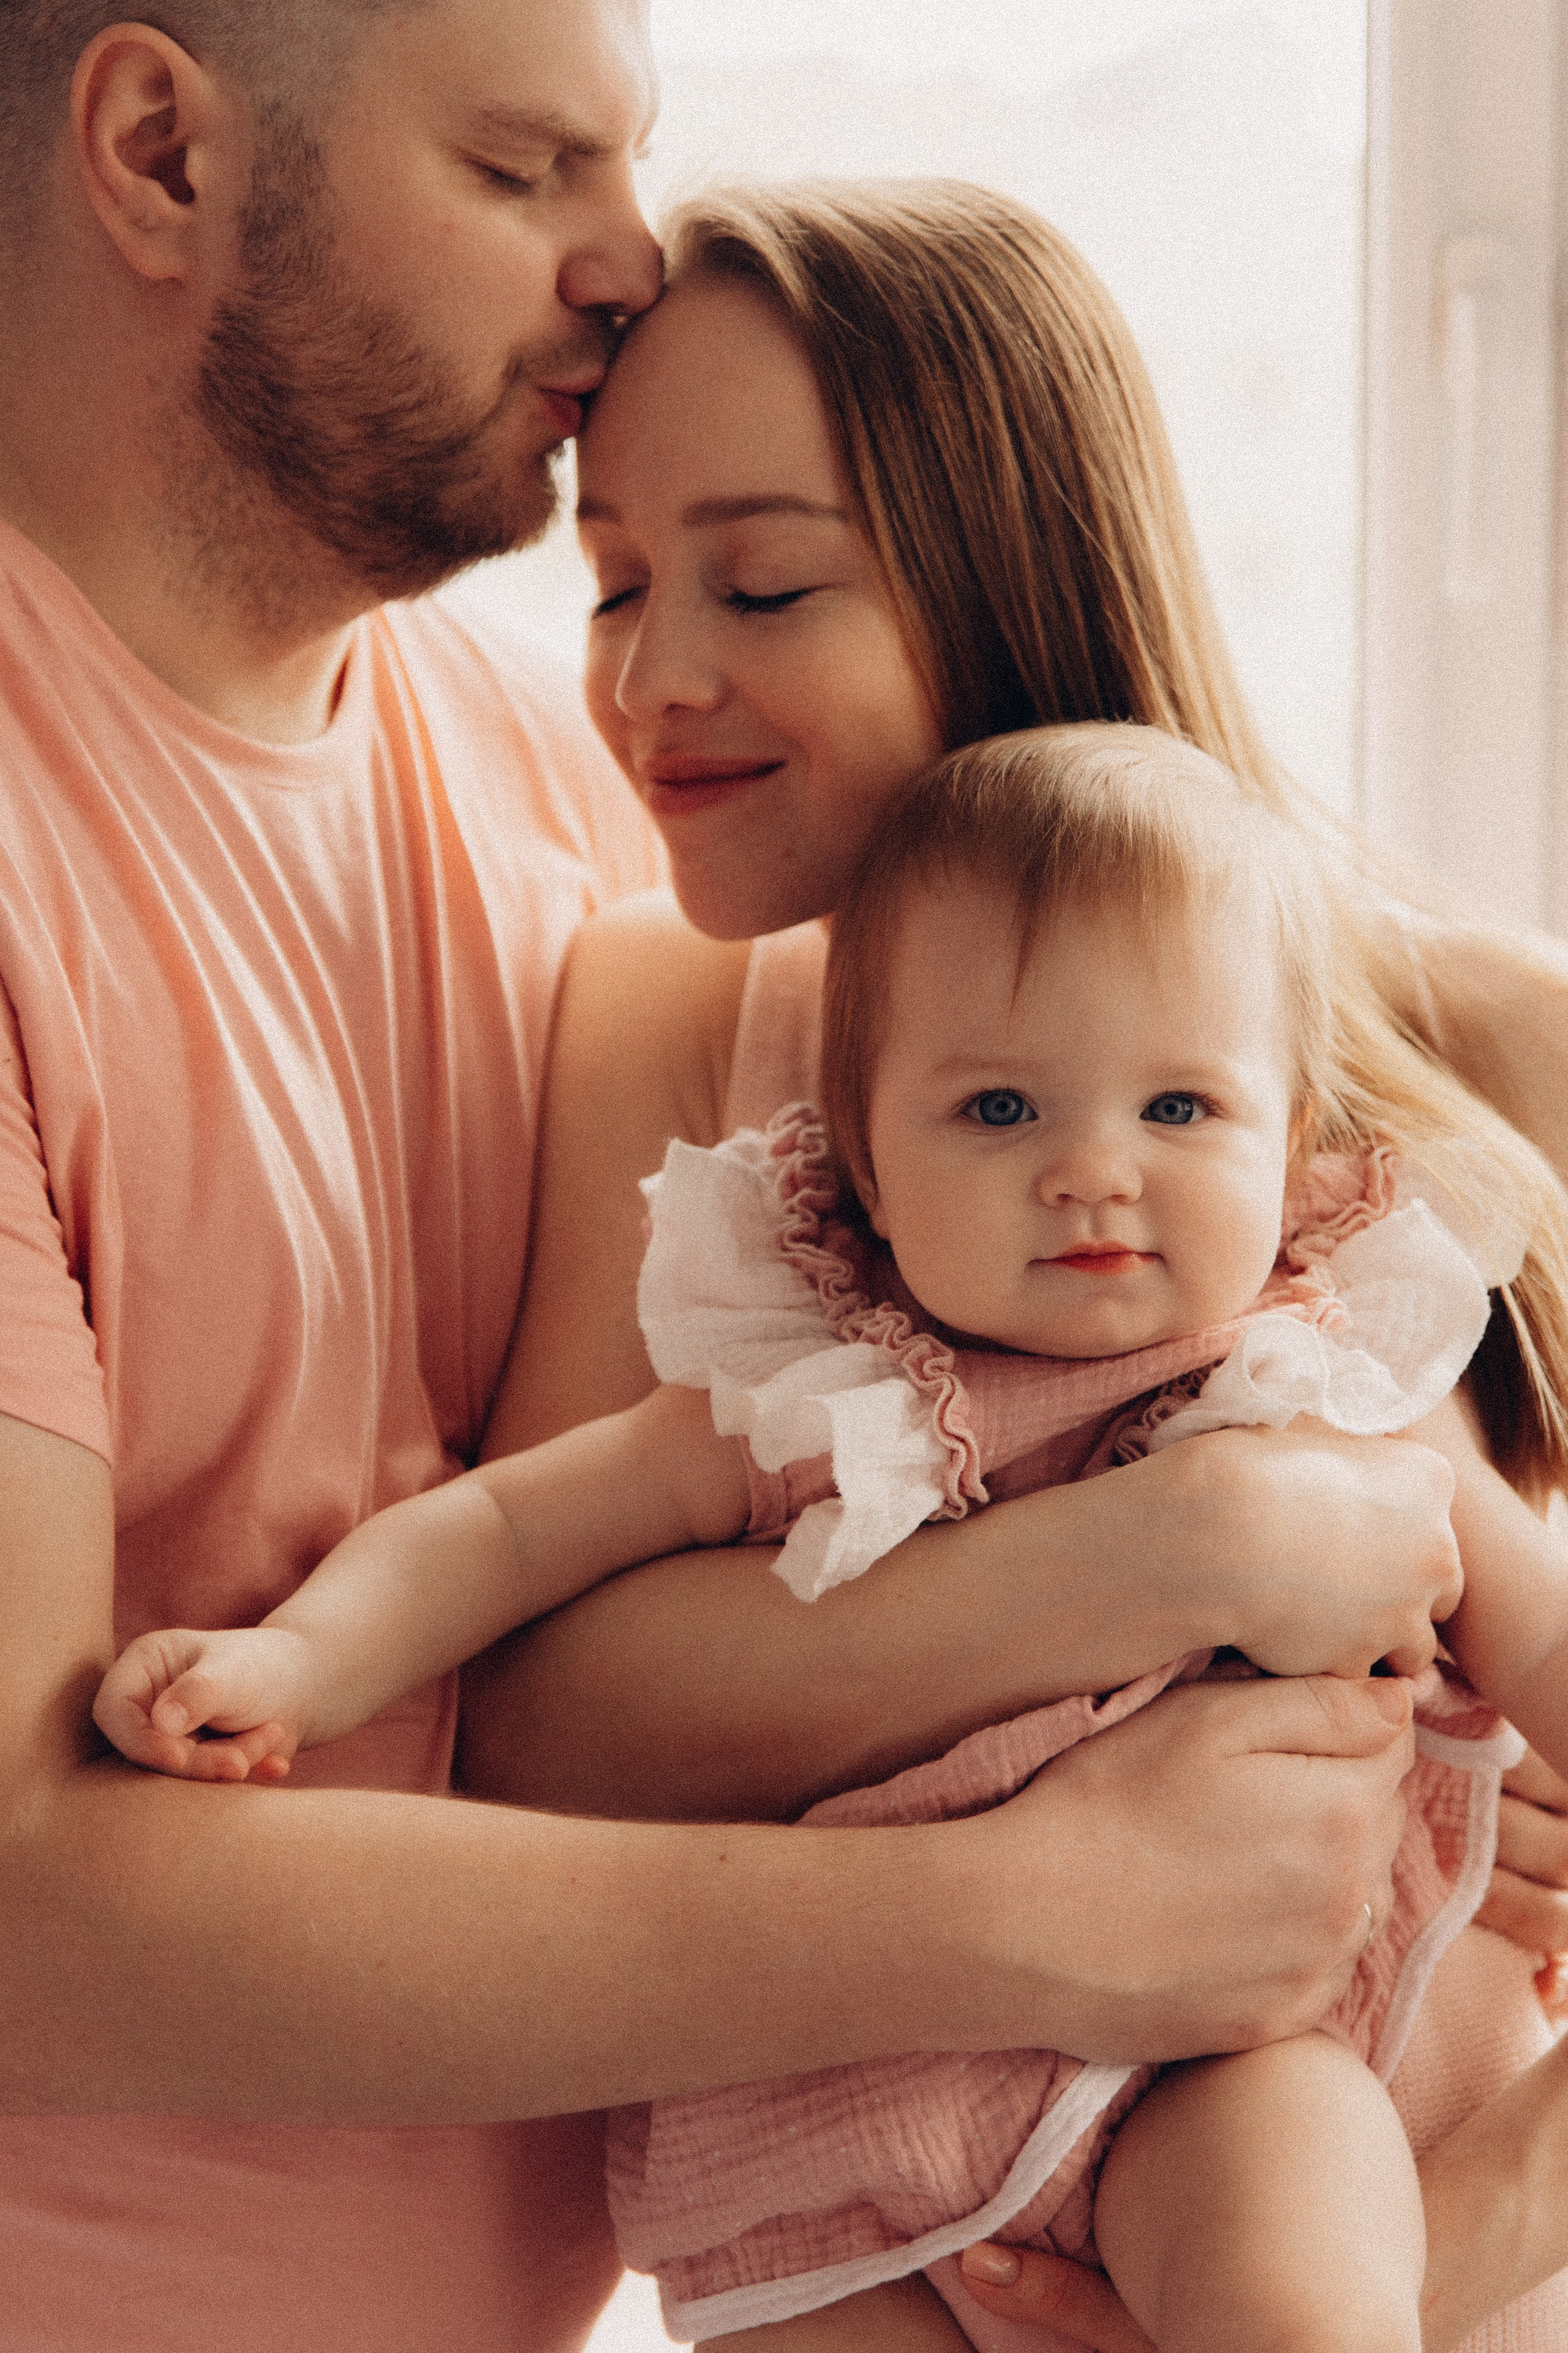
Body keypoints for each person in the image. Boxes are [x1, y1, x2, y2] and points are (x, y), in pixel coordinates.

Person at [0, 12, 1439, 2351]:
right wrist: (1074, 1852)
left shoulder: (562, 797)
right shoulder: (648, 956)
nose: (621, 253)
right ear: (161, 147)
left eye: (627, 155)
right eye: (524, 160)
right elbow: (47, 1899)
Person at [452, 182, 1568, 2351]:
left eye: (762, 580)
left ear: (1008, 559)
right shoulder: (662, 1026)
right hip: (897, 2222)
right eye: (609, 586)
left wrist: (1471, 2226)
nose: (654, 681)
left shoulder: (1478, 1044)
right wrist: (1188, 1550)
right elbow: (547, 1732)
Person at [92, 721, 1568, 2353]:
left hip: (1222, 2055)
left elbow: (1538, 1620)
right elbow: (507, 1529)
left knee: (1301, 2291)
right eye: (999, 1107)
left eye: (1178, 1104)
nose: (1092, 1171)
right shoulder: (821, 1394)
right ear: (862, 1165)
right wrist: (300, 1655)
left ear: (1290, 1151)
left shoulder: (1326, 1381)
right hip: (848, 2096)